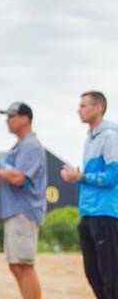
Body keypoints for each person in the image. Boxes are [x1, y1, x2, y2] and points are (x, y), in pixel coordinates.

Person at [0, 102, 46, 299]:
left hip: (23, 212)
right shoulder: (18, 147)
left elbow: (19, 178)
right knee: (16, 265)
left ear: (25, 119)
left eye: (11, 116)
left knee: (24, 265)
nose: (7, 120)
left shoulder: (30, 146)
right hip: (13, 212)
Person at [60, 91, 118, 299]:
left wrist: (80, 176)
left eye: (83, 106)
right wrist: (76, 178)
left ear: (98, 108)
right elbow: (89, 178)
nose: (79, 110)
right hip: (88, 213)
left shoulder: (110, 137)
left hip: (105, 213)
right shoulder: (89, 139)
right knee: (93, 274)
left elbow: (113, 176)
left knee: (110, 274)